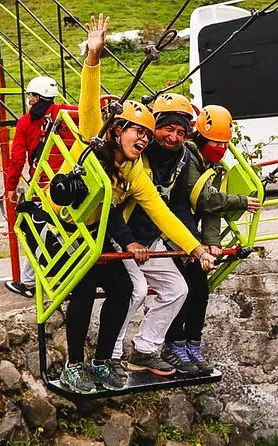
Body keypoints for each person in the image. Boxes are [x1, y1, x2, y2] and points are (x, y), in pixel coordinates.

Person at [33, 14, 216, 394]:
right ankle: (73, 365)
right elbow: (88, 107)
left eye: (148, 135)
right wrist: (93, 58)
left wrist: (196, 248)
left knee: (123, 287)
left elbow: (161, 212)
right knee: (84, 286)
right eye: (138, 132)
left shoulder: (133, 169)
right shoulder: (93, 144)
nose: (144, 140)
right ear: (117, 130)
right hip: (62, 232)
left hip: (94, 237)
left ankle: (102, 361)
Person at [108, 93, 204, 377]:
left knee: (178, 289)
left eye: (180, 132)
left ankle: (145, 349)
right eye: (167, 129)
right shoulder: (136, 156)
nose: (173, 137)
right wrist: (128, 241)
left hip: (150, 239)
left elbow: (175, 207)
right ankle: (112, 353)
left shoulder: (181, 159)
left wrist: (195, 245)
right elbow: (112, 206)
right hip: (122, 236)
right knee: (135, 290)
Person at [162, 104, 261, 374]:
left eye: (225, 144)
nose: (221, 149)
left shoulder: (210, 164)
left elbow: (210, 209)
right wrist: (240, 201)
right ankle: (174, 343)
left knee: (200, 289)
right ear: (202, 138)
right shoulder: (188, 158)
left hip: (191, 235)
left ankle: (193, 343)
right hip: (173, 230)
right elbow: (203, 198)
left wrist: (212, 242)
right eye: (216, 143)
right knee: (183, 288)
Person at [4, 75, 77, 298]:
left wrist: (11, 186)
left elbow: (17, 158)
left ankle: (29, 281)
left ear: (36, 97)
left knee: (32, 230)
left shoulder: (25, 122)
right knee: (66, 230)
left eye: (30, 96)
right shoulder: (66, 113)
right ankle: (41, 278)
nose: (29, 100)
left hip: (42, 186)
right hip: (70, 186)